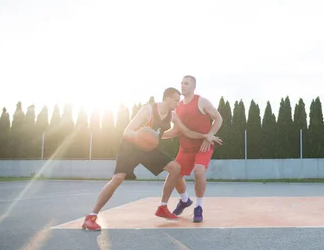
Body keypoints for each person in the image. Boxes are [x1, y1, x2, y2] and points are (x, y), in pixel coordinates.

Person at [81, 87, 221, 231]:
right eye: (175, 100)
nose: (177, 104)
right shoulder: (147, 110)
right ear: (166, 98)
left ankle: (162, 207)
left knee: (175, 167)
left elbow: (186, 132)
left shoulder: (172, 116)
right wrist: (139, 136)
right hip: (130, 147)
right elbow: (127, 131)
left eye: (178, 101)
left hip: (148, 149)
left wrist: (205, 136)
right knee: (118, 178)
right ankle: (91, 217)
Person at [168, 75, 223, 223]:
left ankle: (198, 207)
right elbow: (176, 130)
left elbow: (218, 118)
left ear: (193, 86)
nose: (182, 86)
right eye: (181, 83)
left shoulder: (202, 101)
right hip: (185, 148)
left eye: (186, 83)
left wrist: (209, 136)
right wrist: (158, 135)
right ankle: (185, 200)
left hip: (203, 146)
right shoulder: (178, 106)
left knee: (199, 171)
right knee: (175, 174)